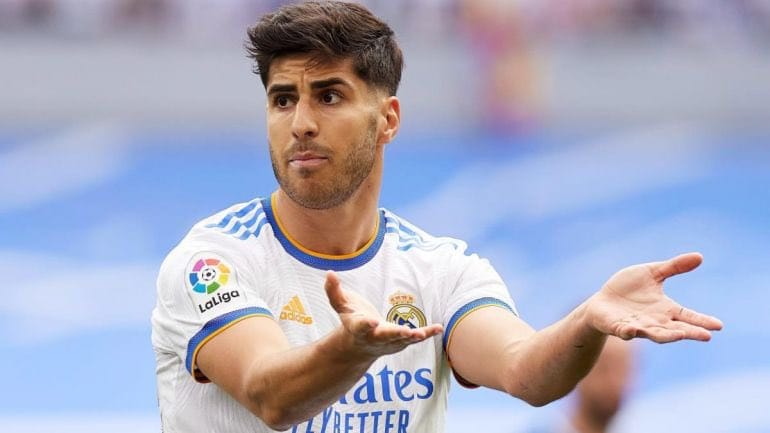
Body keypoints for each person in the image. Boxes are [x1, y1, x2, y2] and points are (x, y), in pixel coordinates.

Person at [150, 2, 722, 432]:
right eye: (283, 100)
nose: (300, 122)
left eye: (328, 96)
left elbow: (525, 372)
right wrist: (352, 350)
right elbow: (270, 395)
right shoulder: (213, 261)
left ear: (388, 119)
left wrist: (587, 320)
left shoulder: (440, 270)